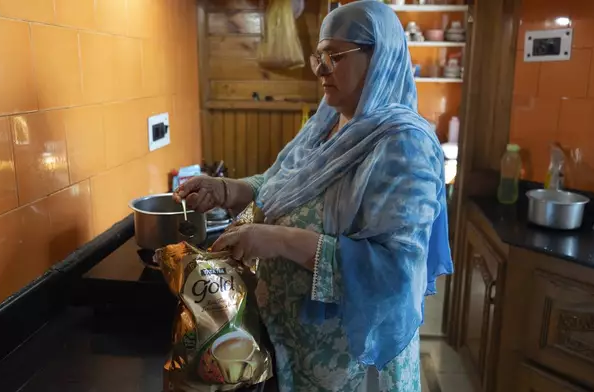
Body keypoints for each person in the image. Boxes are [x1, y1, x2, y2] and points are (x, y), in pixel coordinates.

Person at [174, 1, 453, 391]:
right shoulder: (328, 121)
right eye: (318, 57)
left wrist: (279, 240)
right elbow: (283, 185)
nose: (321, 69)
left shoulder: (404, 145)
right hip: (293, 353)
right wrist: (228, 189)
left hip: (353, 368)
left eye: (334, 57)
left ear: (379, 58)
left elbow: (397, 274)